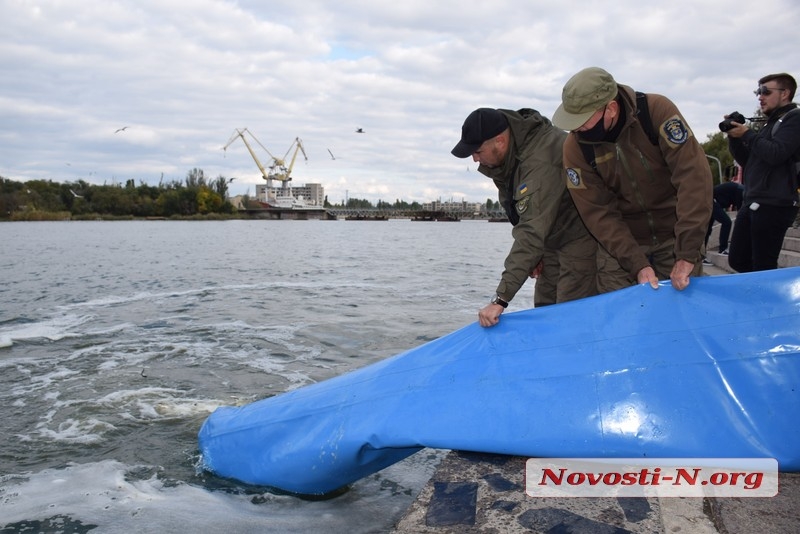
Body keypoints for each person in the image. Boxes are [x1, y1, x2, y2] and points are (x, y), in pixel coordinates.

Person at [552, 67, 712, 293]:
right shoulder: (574, 148)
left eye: (584, 120)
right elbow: (597, 213)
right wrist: (637, 264)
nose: (577, 129)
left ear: (612, 109)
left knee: (681, 314)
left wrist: (687, 253)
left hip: (674, 233)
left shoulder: (657, 111)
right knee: (621, 318)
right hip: (621, 246)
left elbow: (693, 179)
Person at [451, 108, 597, 327]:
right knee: (545, 306)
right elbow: (521, 213)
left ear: (500, 141)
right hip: (551, 237)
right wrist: (535, 255)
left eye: (478, 151)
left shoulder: (539, 161)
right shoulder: (506, 158)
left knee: (568, 316)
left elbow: (531, 231)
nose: (474, 159)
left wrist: (500, 299)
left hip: (582, 234)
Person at [724, 72, 800, 272]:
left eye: (766, 91)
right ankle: (759, 299)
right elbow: (748, 162)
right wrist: (734, 137)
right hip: (753, 201)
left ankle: (769, 302)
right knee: (738, 259)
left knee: (763, 266)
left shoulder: (795, 119)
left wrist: (748, 134)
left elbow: (777, 153)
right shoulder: (770, 125)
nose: (760, 96)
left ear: (785, 94)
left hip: (774, 204)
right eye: (758, 91)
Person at [704, 180, 744, 259]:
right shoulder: (741, 191)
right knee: (727, 222)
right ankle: (722, 249)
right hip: (711, 201)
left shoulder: (741, 190)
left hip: (712, 201)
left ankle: (701, 255)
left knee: (708, 229)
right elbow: (740, 213)